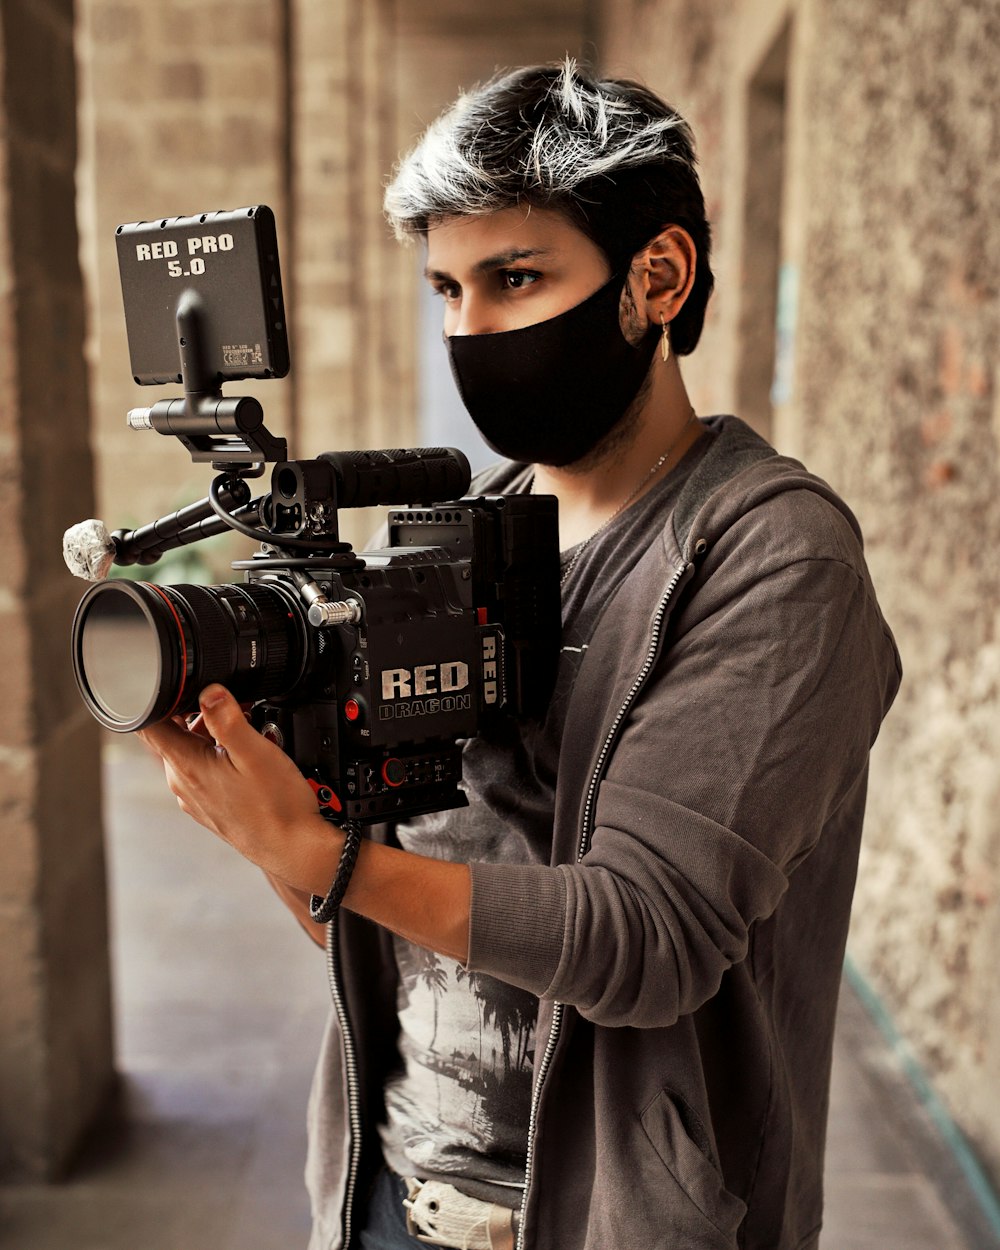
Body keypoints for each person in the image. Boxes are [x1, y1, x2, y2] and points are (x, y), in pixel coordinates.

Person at [140, 61, 902, 1250]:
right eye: (446, 286)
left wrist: (320, 854)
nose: (470, 330)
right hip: (386, 1190)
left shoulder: (775, 557)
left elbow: (647, 939)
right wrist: (268, 820)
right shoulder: (466, 530)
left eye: (515, 278)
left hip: (618, 1217)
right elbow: (377, 920)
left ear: (657, 277)